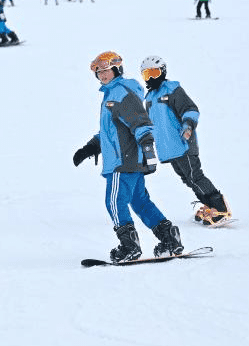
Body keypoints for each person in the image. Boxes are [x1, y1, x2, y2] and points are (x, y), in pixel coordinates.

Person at [72, 52, 183, 262]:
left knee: (114, 202)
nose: (102, 75)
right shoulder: (115, 94)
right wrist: (90, 148)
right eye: (99, 72)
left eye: (105, 70)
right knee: (140, 201)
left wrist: (148, 151)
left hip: (122, 161)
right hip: (131, 160)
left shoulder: (119, 93)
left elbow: (140, 123)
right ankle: (169, 238)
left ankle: (129, 246)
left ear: (116, 69)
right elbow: (112, 131)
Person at [140, 56, 231, 225]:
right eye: (147, 75)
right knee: (188, 179)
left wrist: (188, 126)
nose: (151, 78)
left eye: (154, 72)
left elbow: (190, 109)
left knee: (195, 176)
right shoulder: (150, 98)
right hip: (169, 149)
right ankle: (209, 207)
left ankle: (220, 208)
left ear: (163, 72)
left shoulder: (172, 90)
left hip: (183, 143)